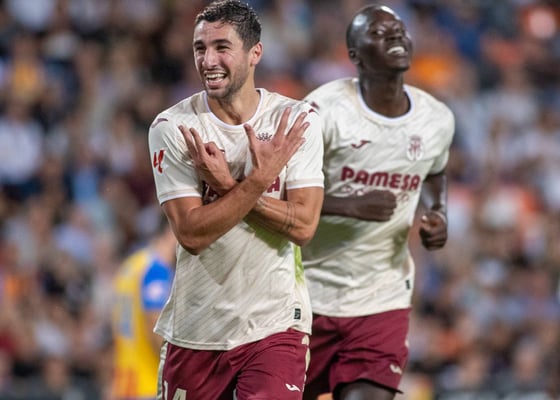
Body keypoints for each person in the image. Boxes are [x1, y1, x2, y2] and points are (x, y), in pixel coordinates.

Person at [147, 1, 324, 399]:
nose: (208, 60)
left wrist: (228, 187)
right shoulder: (174, 128)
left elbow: (304, 226)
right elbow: (192, 234)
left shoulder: (294, 122)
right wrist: (258, 180)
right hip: (197, 329)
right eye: (200, 48)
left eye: (221, 47)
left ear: (254, 52)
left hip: (276, 325)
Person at [301, 4, 455, 400]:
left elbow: (435, 170)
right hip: (305, 292)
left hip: (382, 297)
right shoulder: (323, 111)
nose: (395, 35)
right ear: (354, 56)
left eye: (399, 29)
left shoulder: (436, 119)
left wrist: (437, 212)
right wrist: (348, 206)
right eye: (378, 32)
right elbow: (279, 191)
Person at [111, 215, 176, 400]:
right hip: (148, 381)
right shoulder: (157, 270)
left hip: (125, 382)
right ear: (172, 230)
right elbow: (154, 322)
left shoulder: (130, 266)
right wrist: (175, 370)